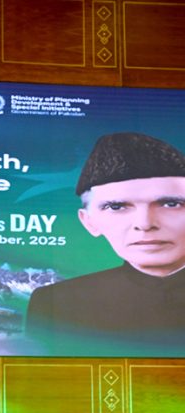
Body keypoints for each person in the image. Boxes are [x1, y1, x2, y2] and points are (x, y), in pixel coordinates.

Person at [26, 132, 185, 355]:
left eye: (170, 204)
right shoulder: (56, 303)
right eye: (117, 207)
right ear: (89, 222)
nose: (144, 224)